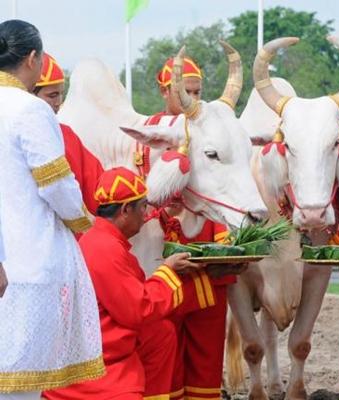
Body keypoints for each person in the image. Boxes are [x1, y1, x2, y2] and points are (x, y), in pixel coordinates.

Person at [0, 19, 104, 397]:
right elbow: (56, 183)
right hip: (25, 262)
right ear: (32, 59)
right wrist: (81, 219)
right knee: (19, 382)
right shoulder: (30, 109)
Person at [44, 167, 204, 399]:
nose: (146, 215)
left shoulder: (103, 241)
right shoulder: (105, 248)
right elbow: (138, 308)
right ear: (125, 210)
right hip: (102, 367)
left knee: (161, 333)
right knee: (159, 331)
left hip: (98, 347)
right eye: (142, 208)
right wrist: (168, 271)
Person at [146, 56, 234, 400]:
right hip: (162, 265)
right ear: (164, 90)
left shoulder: (212, 127)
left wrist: (226, 241)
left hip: (207, 266)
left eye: (197, 92)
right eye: (185, 92)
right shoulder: (149, 131)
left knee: (207, 361)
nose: (191, 99)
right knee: (165, 355)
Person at [34, 52, 104, 214]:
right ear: (30, 95)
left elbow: (97, 184)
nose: (59, 102)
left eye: (60, 94)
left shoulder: (66, 134)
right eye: (52, 95)